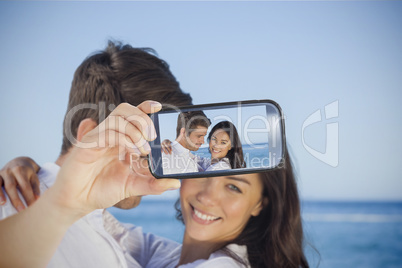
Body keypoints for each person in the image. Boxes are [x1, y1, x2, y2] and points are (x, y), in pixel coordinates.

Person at [0, 40, 193, 267]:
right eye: (145, 147)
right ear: (90, 135)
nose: (155, 168)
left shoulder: (109, 230)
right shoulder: (10, 203)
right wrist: (62, 203)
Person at [163, 120, 246, 172]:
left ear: (230, 146)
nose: (217, 145)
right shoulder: (209, 163)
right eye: (214, 139)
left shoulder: (220, 168)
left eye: (223, 143)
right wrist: (170, 143)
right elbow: (189, 156)